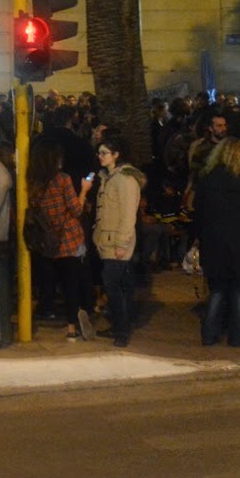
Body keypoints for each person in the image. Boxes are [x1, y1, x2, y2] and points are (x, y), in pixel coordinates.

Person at [194, 137, 240, 347]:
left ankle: (209, 333)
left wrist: (198, 236)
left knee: (217, 289)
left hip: (215, 240)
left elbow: (199, 211)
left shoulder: (207, 178)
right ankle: (236, 336)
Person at [27, 142, 95, 342]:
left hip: (49, 243)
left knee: (57, 282)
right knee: (72, 283)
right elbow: (76, 210)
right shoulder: (63, 180)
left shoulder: (34, 185)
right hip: (70, 239)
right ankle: (72, 325)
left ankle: (70, 316)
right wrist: (84, 190)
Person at [92, 133, 145, 348]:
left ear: (116, 155)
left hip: (116, 242)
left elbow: (128, 215)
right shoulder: (110, 178)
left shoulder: (124, 181)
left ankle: (121, 330)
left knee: (114, 286)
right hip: (108, 240)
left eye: (104, 153)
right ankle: (119, 326)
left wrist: (122, 243)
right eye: (99, 152)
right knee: (119, 285)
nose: (100, 156)